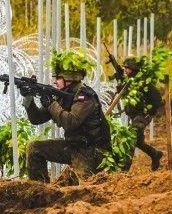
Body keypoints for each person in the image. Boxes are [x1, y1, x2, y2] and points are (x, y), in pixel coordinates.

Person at [22, 50, 111, 182]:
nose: (54, 81)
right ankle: (39, 191)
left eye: (58, 78)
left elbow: (71, 122)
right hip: (74, 146)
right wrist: (28, 99)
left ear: (69, 79)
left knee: (82, 191)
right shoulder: (62, 95)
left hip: (92, 152)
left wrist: (51, 103)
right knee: (35, 148)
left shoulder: (85, 97)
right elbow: (37, 119)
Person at [118, 56, 164, 171]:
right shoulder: (129, 82)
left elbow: (157, 99)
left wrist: (150, 112)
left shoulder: (143, 83)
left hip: (142, 116)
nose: (125, 70)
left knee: (131, 137)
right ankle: (155, 154)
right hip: (134, 116)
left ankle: (124, 168)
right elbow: (123, 94)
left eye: (127, 68)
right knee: (138, 141)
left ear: (134, 69)